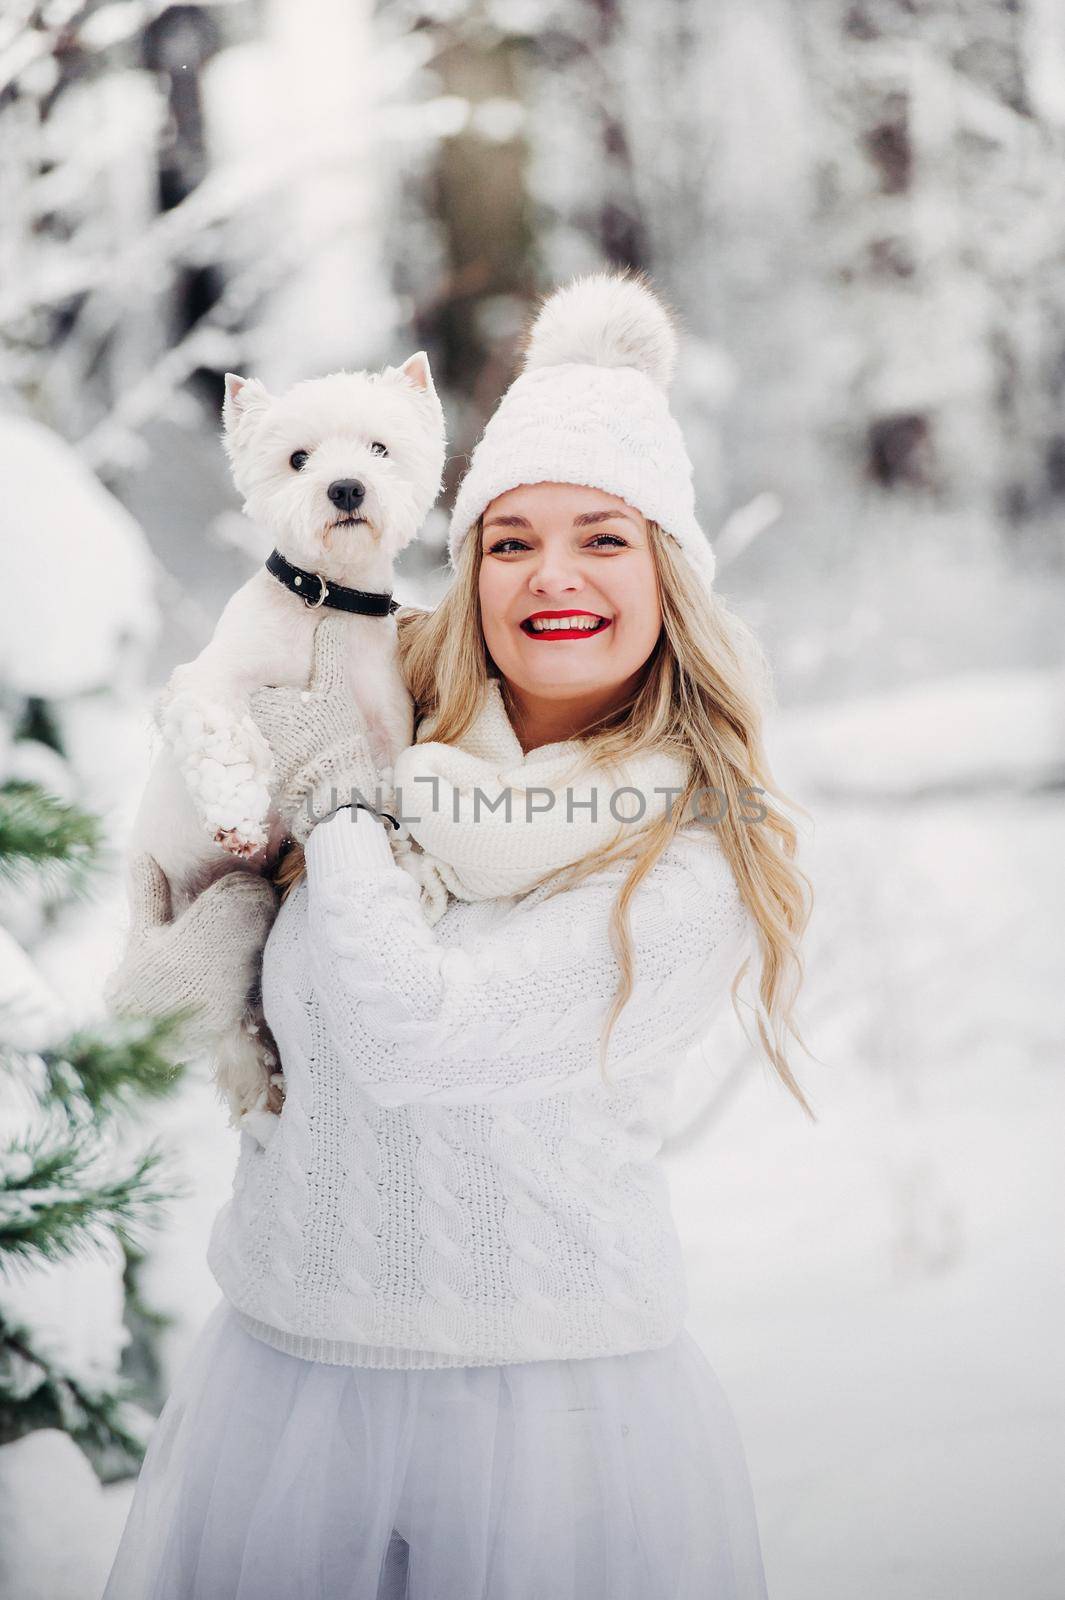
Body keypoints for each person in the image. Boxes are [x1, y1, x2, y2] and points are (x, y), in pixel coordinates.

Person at [101, 271, 813, 1600]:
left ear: (671, 572)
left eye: (603, 538)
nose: (551, 577)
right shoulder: (382, 723)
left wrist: (339, 801)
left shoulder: (695, 845)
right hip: (283, 1391)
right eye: (506, 539)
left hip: (549, 1421)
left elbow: (412, 1038)